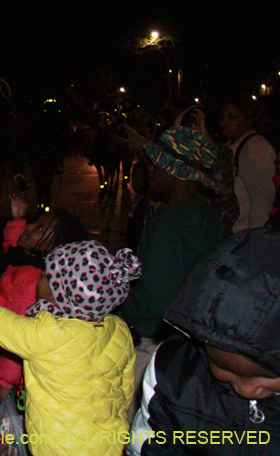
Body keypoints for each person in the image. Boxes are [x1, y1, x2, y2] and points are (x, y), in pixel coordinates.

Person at [0, 238, 139, 456]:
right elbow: (125, 390)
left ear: (62, 295)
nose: (40, 276)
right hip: (111, 444)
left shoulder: (47, 336)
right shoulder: (118, 329)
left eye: (48, 276)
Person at [129, 228, 280, 455]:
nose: (248, 390)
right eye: (224, 368)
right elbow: (149, 443)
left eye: (269, 374)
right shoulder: (174, 373)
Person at [115, 125, 224, 418]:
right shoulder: (205, 215)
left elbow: (155, 295)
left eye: (156, 163)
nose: (149, 168)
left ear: (175, 172)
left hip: (155, 344)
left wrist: (115, 316)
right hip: (188, 345)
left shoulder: (168, 224)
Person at [0, 194, 88, 404]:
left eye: (39, 229)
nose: (30, 227)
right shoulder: (27, 257)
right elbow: (12, 247)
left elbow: (18, 337)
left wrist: (4, 381)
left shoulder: (31, 280)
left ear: (53, 247)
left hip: (14, 361)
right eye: (35, 222)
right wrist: (18, 220)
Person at [218, 98, 276, 233]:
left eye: (233, 118)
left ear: (248, 119)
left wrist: (254, 239)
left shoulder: (255, 147)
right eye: (222, 117)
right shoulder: (234, 144)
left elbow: (262, 200)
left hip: (244, 233)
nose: (224, 122)